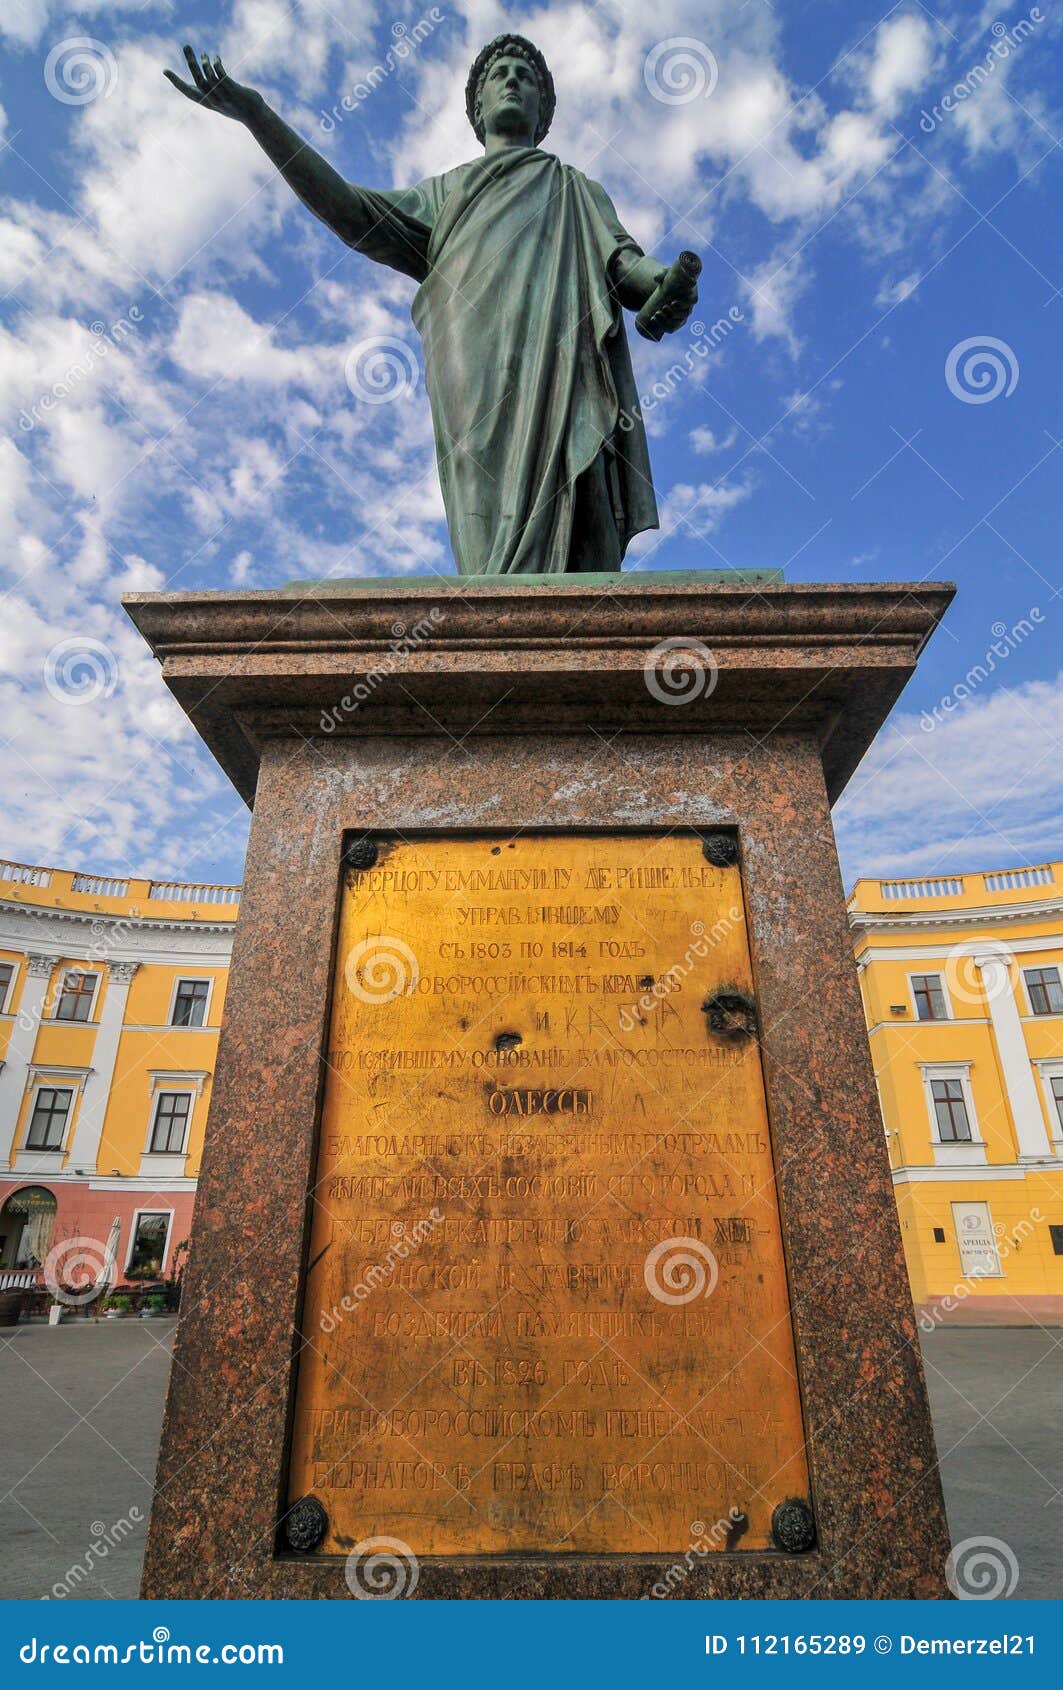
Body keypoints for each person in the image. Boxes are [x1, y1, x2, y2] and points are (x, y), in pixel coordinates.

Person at [165, 34, 699, 575]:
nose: (513, 81)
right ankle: (493, 617)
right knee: (482, 497)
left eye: (526, 78)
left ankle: (572, 621)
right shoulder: (445, 194)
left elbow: (626, 266)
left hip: (566, 358)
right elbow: (351, 211)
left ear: (543, 113)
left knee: (580, 492)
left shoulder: (574, 189)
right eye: (500, 75)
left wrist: (667, 285)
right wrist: (258, 117)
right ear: (478, 110)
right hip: (471, 361)